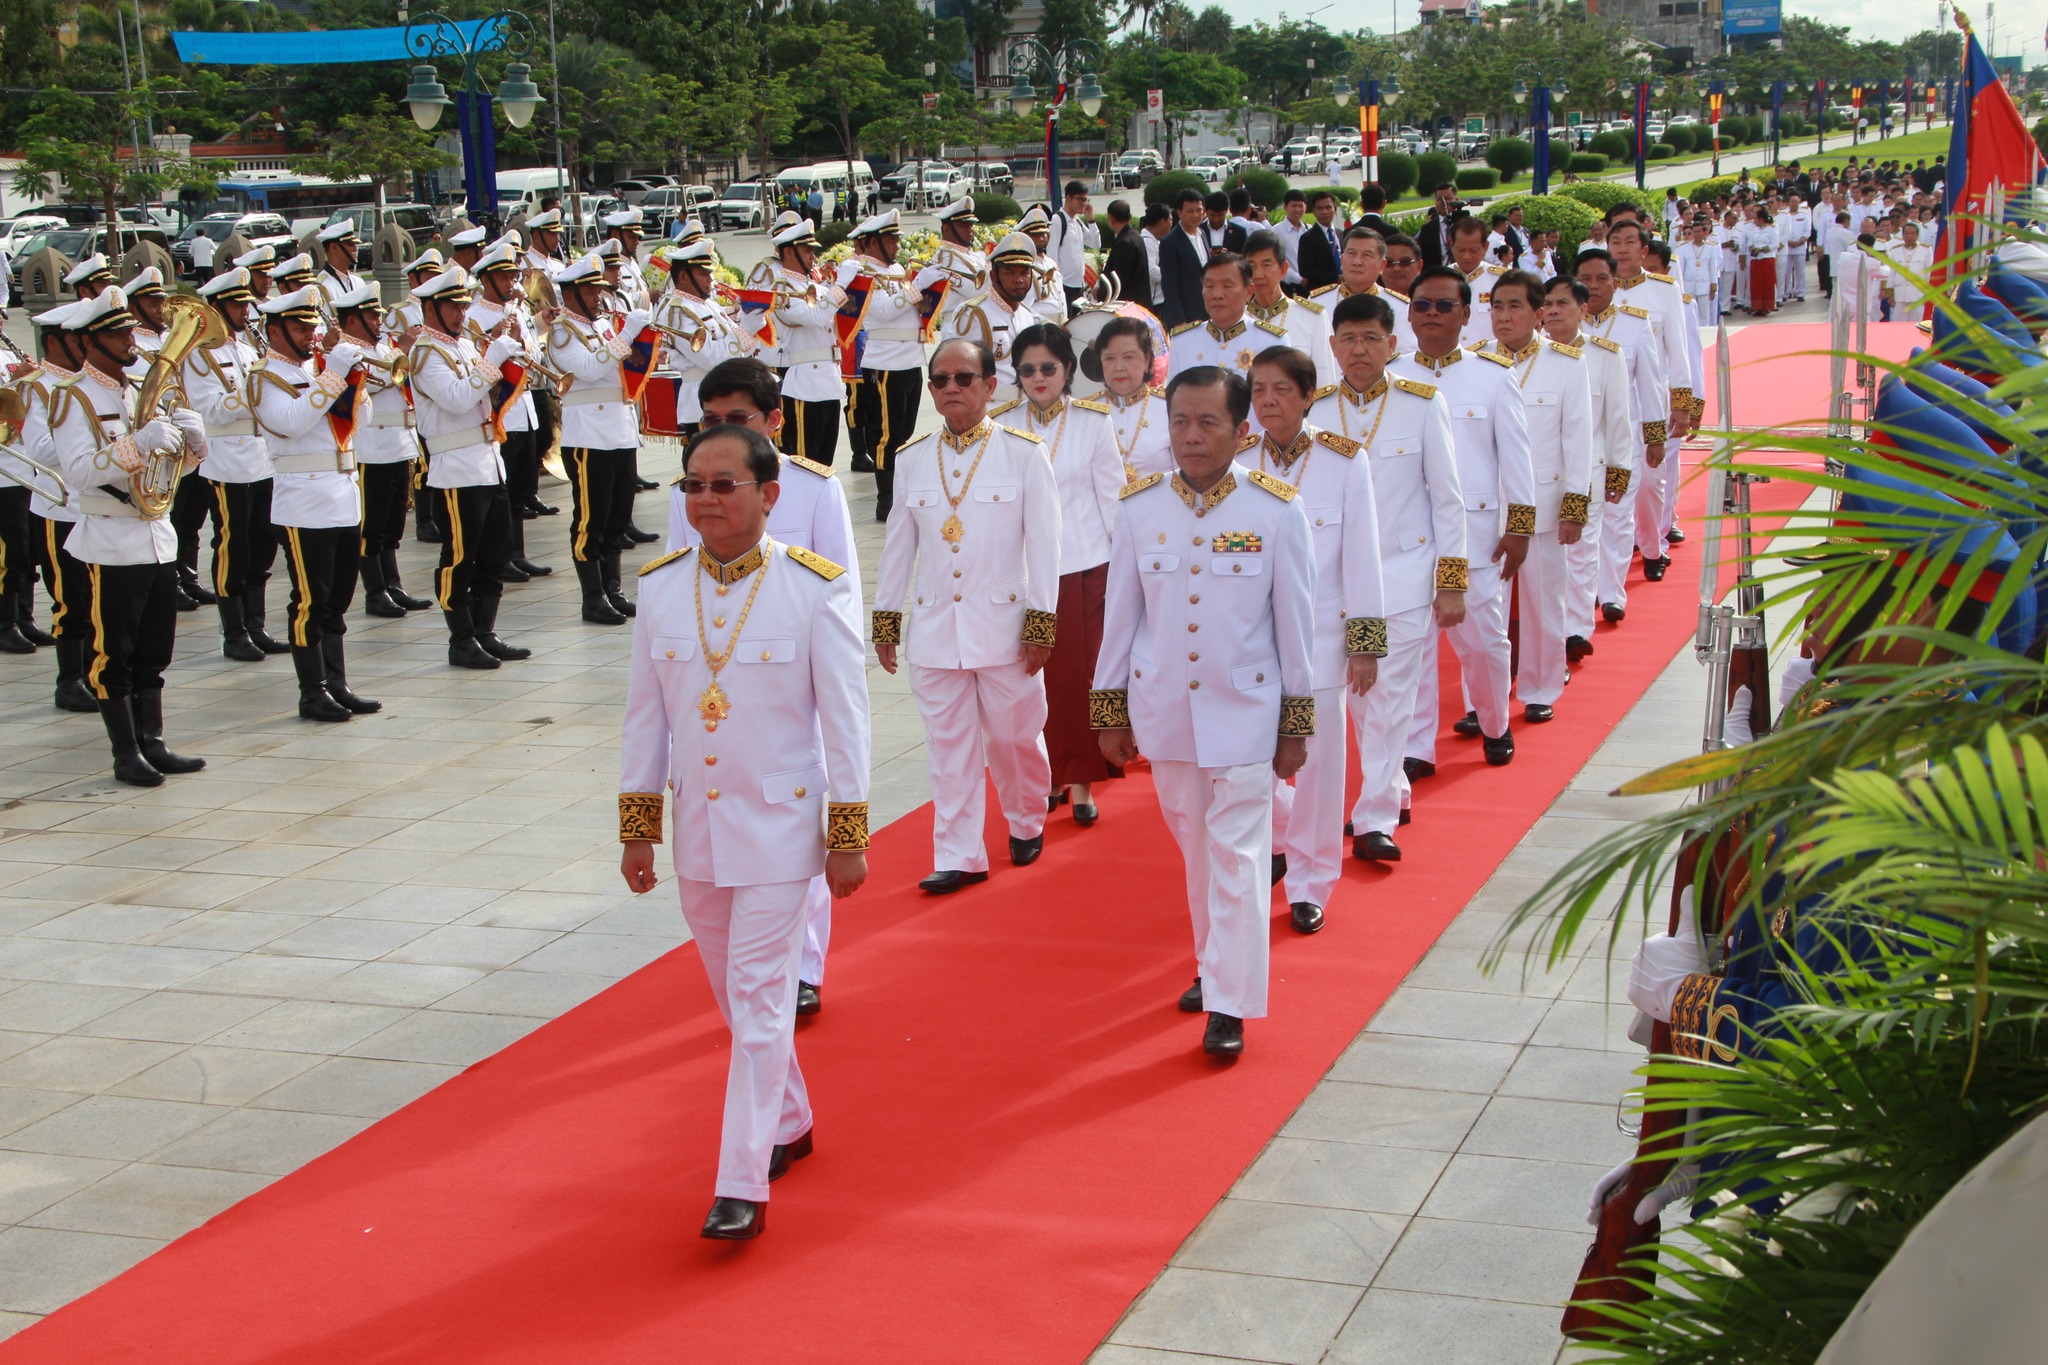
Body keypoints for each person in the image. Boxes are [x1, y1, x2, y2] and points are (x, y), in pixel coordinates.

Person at [617, 422, 870, 1242]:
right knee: (734, 997)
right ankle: (790, 1116)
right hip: (699, 825)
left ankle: (740, 1180)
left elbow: (847, 718)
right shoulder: (660, 586)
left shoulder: (813, 587)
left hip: (780, 826)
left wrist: (848, 829)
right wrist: (638, 825)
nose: (706, 499)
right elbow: (643, 720)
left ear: (769, 495)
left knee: (761, 999)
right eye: (693, 484)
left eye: (724, 484)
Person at [1091, 365, 1315, 1058]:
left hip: (1246, 710)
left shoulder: (1275, 510)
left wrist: (1295, 724)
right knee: (1197, 850)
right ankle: (1213, 964)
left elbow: (1295, 626)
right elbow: (1120, 618)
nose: (1192, 436)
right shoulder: (1139, 507)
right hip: (1167, 712)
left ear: (1241, 430)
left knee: (1241, 855)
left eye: (1208, 422)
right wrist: (1109, 709)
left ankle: (1231, 1003)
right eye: (1181, 421)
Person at [662, 359, 858, 1019]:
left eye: (737, 420)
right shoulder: (684, 493)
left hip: (792, 690)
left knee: (796, 823)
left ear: (773, 422)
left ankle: (801, 966)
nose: (719, 432)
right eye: (708, 420)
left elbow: (843, 597)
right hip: (717, 685)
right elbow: (673, 588)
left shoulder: (811, 487)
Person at [872, 338, 1059, 895]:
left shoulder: (1024, 454)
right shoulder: (911, 458)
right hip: (935, 630)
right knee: (948, 746)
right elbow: (897, 547)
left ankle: (1026, 816)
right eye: (941, 380)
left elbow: (1047, 548)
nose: (952, 388)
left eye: (964, 378)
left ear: (988, 385)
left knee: (1014, 737)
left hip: (1005, 629)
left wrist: (1042, 624)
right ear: (930, 389)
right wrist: (886, 620)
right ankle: (959, 852)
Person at [1309, 293, 1464, 865]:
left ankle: (1373, 818)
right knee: (1356, 704)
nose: (1359, 350)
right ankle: (1391, 784)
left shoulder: (1423, 404)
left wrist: (1451, 581)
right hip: (1337, 588)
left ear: (1392, 346)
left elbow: (1448, 499)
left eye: (1371, 339)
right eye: (1348, 339)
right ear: (1332, 347)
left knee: (1391, 700)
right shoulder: (1316, 412)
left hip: (1402, 578)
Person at [47, 288, 210, 786]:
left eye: (126, 331)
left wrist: (193, 447)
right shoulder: (72, 396)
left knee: (154, 650)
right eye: (116, 333)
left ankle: (153, 741)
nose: (128, 340)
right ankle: (125, 751)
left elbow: (166, 473)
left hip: (156, 538)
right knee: (112, 653)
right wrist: (135, 444)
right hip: (109, 541)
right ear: (88, 341)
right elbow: (76, 471)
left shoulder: (143, 386)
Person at [1248, 345, 1383, 934]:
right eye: (1257, 391)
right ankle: (1279, 838)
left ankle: (1311, 879)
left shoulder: (1344, 461)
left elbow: (1362, 558)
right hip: (1251, 645)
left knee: (1323, 764)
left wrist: (1365, 642)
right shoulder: (1238, 461)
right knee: (1252, 758)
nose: (1268, 402)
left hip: (1323, 638)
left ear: (1308, 396)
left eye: (1281, 390)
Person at [1392, 266, 1533, 778]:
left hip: (1474, 539)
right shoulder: (1391, 377)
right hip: (1408, 539)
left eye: (1443, 306)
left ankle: (1495, 723)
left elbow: (1517, 460)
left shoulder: (1493, 377)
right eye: (1422, 305)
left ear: (1466, 315)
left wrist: (1519, 527)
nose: (1432, 314)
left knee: (1485, 645)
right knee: (1413, 651)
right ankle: (1416, 748)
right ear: (1409, 314)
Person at [1004, 324, 1123, 826]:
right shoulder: (1002, 425)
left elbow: (1115, 501)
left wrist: (1128, 576)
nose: (1038, 378)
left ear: (1068, 370)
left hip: (1081, 568)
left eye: (1048, 368)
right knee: (1031, 683)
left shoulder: (1093, 423)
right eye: (1027, 369)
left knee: (1077, 680)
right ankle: (1044, 774)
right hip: (1022, 574)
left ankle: (1082, 782)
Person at [249, 285, 380, 722]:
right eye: (301, 327)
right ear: (276, 330)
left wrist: (353, 384)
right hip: (303, 500)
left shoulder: (316, 371)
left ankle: (337, 683)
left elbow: (359, 424)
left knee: (338, 598)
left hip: (341, 492)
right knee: (311, 599)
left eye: (312, 326)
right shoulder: (264, 376)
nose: (311, 334)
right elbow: (288, 422)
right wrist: (331, 378)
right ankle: (313, 690)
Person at [408, 264, 530, 668]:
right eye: (453, 308)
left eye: (463, 306)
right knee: (459, 557)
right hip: (455, 467)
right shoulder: (425, 353)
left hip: (486, 461)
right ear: (431, 308)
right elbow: (458, 399)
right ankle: (460, 638)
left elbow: (483, 395)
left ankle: (484, 631)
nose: (462, 314)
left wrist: (509, 366)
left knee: (496, 553)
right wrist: (493, 358)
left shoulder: (460, 345)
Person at [1482, 271, 1590, 725]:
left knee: (1545, 602)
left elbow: (1578, 440)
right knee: (1488, 611)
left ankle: (1542, 686)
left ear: (1538, 313)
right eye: (1497, 307)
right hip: (1490, 510)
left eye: (1515, 307)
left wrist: (1574, 508)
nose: (1504, 316)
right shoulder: (1476, 364)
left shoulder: (1566, 364)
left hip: (1544, 506)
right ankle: (1483, 699)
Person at [547, 251, 654, 625]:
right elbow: (591, 369)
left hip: (618, 432)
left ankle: (613, 588)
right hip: (588, 436)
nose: (599, 298)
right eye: (591, 292)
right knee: (590, 519)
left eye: (599, 291)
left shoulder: (602, 326)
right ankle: (592, 597)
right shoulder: (562, 332)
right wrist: (627, 333)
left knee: (617, 517)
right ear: (571, 294)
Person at [184, 266, 284, 663]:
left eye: (246, 303)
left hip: (262, 459)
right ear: (216, 308)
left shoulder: (246, 350)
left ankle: (256, 624)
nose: (246, 312)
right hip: (226, 461)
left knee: (263, 543)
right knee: (232, 546)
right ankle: (234, 631)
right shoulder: (199, 356)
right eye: (237, 305)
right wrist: (255, 388)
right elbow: (211, 408)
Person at [1542, 274, 1636, 667]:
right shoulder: (1529, 358)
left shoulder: (1604, 355)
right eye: (1547, 304)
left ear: (1582, 311)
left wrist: (1619, 473)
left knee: (1581, 554)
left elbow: (1618, 419)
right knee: (1550, 561)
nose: (1553, 312)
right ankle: (1549, 630)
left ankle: (1575, 631)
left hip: (1591, 473)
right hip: (1542, 476)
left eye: (1563, 304)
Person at [1575, 248, 1671, 621]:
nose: (1594, 286)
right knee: (1583, 523)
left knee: (1616, 516)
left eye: (1602, 279)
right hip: (1574, 445)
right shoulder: (1561, 324)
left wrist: (1655, 436)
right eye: (1586, 279)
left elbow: (1649, 383)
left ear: (1616, 283)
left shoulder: (1635, 325)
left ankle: (1612, 593)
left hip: (1620, 438)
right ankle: (1584, 596)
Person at [341, 284, 428, 620]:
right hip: (370, 448)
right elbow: (371, 385)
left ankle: (393, 585)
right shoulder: (346, 352)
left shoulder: (385, 348)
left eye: (377, 315)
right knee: (372, 526)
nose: (378, 322)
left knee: (392, 525)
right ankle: (375, 591)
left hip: (397, 444)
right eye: (370, 316)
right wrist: (400, 353)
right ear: (352, 322)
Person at [839, 210, 929, 516]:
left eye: (896, 239)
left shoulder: (898, 269)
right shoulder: (860, 272)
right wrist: (915, 290)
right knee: (886, 434)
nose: (896, 246)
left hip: (910, 360)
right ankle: (885, 498)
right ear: (874, 241)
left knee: (905, 432)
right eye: (891, 239)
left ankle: (902, 490)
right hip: (885, 362)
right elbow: (880, 312)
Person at [651, 238, 754, 444]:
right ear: (683, 276)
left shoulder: (708, 305)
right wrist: (746, 331)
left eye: (710, 273)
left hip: (726, 394)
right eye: (703, 273)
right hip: (701, 403)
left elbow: (741, 343)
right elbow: (709, 357)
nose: (710, 279)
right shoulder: (677, 310)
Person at [762, 218, 847, 467]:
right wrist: (841, 285)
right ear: (788, 252)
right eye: (807, 250)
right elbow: (815, 316)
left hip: (828, 382)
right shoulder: (782, 288)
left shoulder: (814, 287)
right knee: (803, 465)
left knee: (823, 466)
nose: (813, 256)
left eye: (813, 250)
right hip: (804, 386)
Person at [947, 231, 1037, 390]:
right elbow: (956, 370)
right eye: (1009, 272)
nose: (1019, 280)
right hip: (991, 408)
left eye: (1024, 272)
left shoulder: (1025, 315)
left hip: (1024, 408)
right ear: (994, 276)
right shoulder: (974, 314)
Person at [1094, 314, 1171, 480]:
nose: (1119, 367)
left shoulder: (1171, 408)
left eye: (1128, 357)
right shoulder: (1085, 413)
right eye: (1109, 358)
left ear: (1147, 359)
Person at [1316, 227, 1414, 350]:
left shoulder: (1400, 306)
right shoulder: (1317, 302)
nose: (1357, 262)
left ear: (1382, 265)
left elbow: (1405, 355)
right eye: (1351, 253)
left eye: (1367, 255)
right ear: (1341, 260)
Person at [1158, 188, 1210, 328]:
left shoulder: (1203, 234)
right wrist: (1179, 321)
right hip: (1185, 316)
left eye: (1199, 210)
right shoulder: (1170, 242)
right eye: (1190, 211)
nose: (1195, 215)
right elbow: (1169, 285)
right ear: (1179, 213)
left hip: (1207, 312)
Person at [1051, 180, 1100, 314]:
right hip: (1063, 286)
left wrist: (1091, 219)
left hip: (1078, 285)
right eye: (1079, 199)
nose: (1083, 203)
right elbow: (1051, 256)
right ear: (1068, 198)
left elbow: (1096, 244)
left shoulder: (1077, 221)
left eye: (1085, 199)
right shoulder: (1057, 221)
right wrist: (1056, 286)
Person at [1016, 205, 1068, 324]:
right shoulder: (1024, 267)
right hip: (1040, 328)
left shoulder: (1050, 262)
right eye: (1035, 235)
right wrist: (1049, 324)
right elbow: (1023, 308)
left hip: (1061, 323)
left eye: (1043, 234)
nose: (1040, 238)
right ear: (1025, 237)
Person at [1101, 199, 1152, 308]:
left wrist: (1101, 293)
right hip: (1139, 302)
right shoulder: (1135, 236)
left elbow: (1119, 279)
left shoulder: (1124, 242)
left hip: (1128, 304)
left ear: (1111, 218)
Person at [1294, 190, 1344, 292]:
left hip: (1345, 289)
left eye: (1328, 207)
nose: (1324, 212)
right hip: (1321, 292)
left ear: (1335, 209)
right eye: (1320, 208)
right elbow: (1305, 270)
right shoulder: (1307, 238)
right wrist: (1335, 278)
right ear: (1314, 211)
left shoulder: (1341, 234)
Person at [1417, 183, 1464, 271]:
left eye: (1447, 199)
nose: (1443, 202)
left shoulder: (1465, 224)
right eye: (1439, 199)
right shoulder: (1427, 229)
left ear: (1456, 200)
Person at [1140, 204, 1170, 310]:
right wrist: (1172, 274)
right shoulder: (1147, 242)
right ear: (1162, 222)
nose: (1171, 224)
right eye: (1170, 220)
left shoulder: (1155, 240)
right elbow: (1151, 271)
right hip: (1153, 303)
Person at [1381, 232, 1424, 298]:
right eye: (1389, 262)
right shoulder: (1368, 305)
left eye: (1404, 262)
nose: (1396, 269)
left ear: (1419, 266)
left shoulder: (1431, 304)